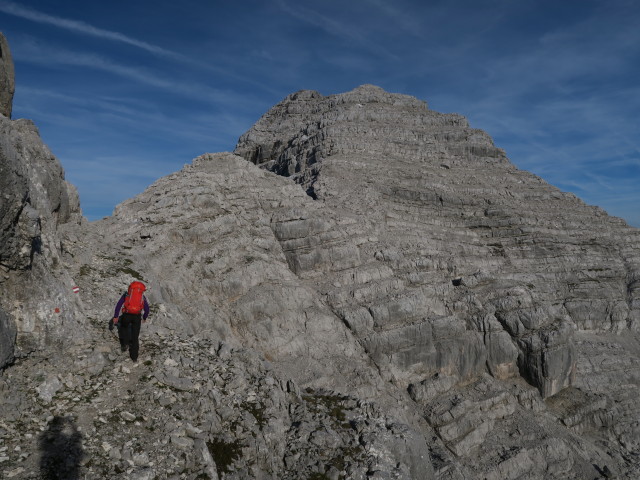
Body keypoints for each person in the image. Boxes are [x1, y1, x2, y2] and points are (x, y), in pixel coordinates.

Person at [112, 281, 149, 362]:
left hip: (127, 315)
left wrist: (116, 316)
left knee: (123, 327)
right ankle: (134, 357)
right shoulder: (142, 296)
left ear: (130, 288)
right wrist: (144, 317)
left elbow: (118, 305)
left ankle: (125, 344)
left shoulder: (127, 294)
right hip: (137, 316)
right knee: (135, 337)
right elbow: (147, 309)